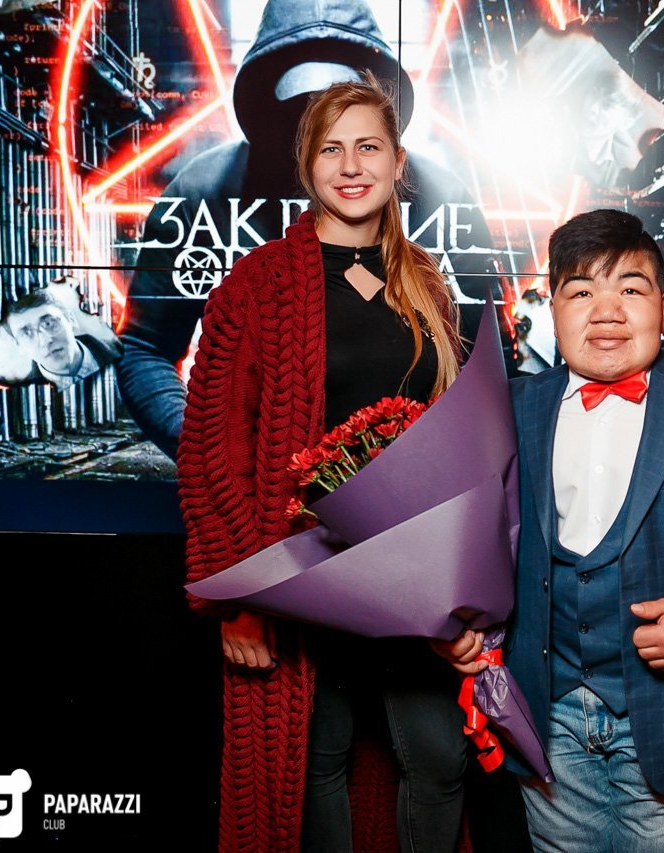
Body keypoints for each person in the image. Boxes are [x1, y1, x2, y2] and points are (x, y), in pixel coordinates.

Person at [436, 209, 664, 851]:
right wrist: (455, 624)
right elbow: (467, 541)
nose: (606, 311)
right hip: (547, 710)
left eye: (630, 289)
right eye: (581, 291)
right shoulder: (506, 410)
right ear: (552, 310)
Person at [179, 76, 474, 852]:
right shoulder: (259, 286)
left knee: (440, 757)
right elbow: (212, 450)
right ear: (306, 165)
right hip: (302, 573)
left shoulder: (422, 283)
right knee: (317, 758)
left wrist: (465, 581)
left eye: (368, 146)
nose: (350, 165)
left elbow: (455, 438)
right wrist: (239, 596)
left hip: (410, 571)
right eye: (331, 149)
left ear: (397, 162)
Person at [121, 0, 503, 461]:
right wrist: (218, 455)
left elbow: (489, 359)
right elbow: (145, 348)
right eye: (310, 123)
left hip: (408, 484)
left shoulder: (440, 197)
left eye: (352, 126)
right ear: (271, 112)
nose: (341, 160)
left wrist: (428, 463)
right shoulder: (204, 192)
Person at [4, 288, 121, 390]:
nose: (46, 341)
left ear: (71, 320)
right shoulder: (20, 394)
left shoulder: (120, 355)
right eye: (27, 333)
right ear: (19, 345)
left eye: (49, 323)